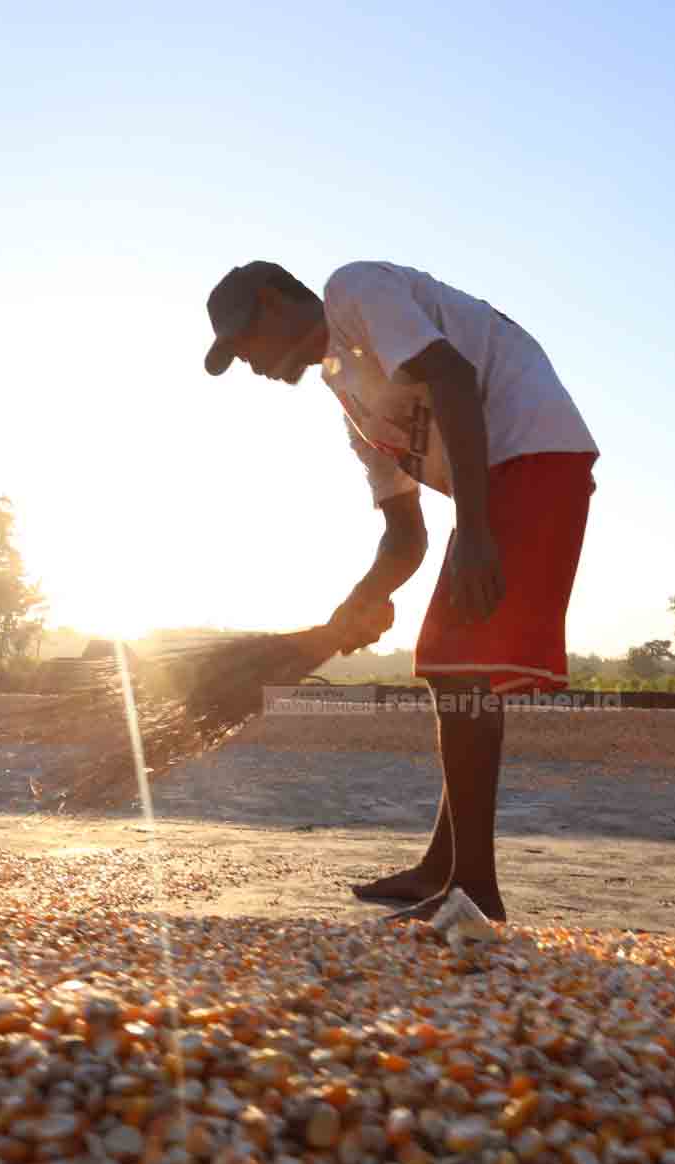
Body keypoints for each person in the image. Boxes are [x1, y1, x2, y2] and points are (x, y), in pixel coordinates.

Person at [201, 260, 599, 923]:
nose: (249, 365)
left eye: (244, 346)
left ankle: (473, 896)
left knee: (454, 662)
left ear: (271, 305)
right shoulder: (352, 404)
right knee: (451, 664)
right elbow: (405, 537)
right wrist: (351, 609)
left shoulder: (353, 291)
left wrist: (474, 532)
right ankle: (444, 870)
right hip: (500, 479)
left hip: (535, 454)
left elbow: (454, 377)